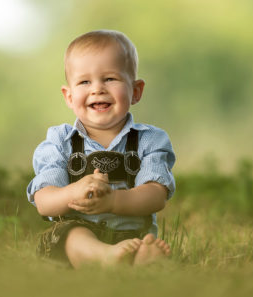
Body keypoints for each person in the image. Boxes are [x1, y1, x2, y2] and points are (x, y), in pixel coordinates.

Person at [26, 29, 176, 268]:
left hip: (131, 236)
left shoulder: (150, 140)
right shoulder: (60, 141)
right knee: (71, 234)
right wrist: (72, 193)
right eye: (85, 82)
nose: (97, 89)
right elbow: (44, 201)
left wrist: (113, 201)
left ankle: (139, 259)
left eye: (110, 79)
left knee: (142, 243)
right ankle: (102, 256)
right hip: (78, 235)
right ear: (69, 96)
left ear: (135, 91)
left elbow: (156, 195)